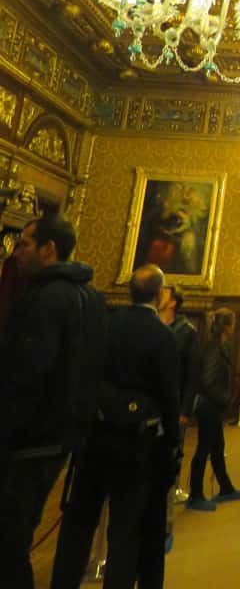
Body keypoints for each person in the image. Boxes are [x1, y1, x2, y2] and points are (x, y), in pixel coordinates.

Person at [51, 263, 179, 589]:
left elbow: (85, 375)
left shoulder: (107, 323)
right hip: (136, 445)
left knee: (79, 524)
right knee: (125, 530)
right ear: (160, 294)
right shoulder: (162, 336)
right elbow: (168, 397)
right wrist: (171, 447)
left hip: (96, 435)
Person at [0, 211, 106, 589]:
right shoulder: (92, 297)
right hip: (60, 437)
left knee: (8, 543)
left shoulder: (45, 298)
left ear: (49, 249)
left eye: (24, 244)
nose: (15, 253)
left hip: (28, 440)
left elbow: (26, 375)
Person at [187, 308, 240, 511]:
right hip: (208, 405)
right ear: (227, 326)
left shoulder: (221, 346)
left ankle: (226, 487)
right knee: (203, 449)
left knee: (217, 447)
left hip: (212, 403)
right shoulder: (213, 348)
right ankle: (195, 494)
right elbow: (208, 380)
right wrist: (225, 399)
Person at [157, 285, 199, 532]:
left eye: (163, 293)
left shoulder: (187, 332)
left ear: (173, 302)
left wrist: (185, 409)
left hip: (174, 405)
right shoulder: (151, 324)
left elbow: (192, 376)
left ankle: (166, 519)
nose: (158, 295)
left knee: (171, 457)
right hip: (151, 404)